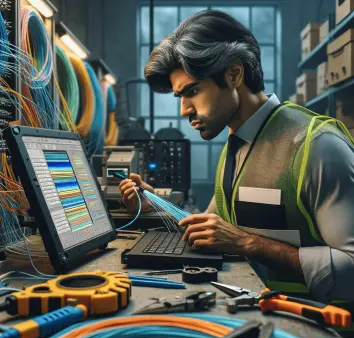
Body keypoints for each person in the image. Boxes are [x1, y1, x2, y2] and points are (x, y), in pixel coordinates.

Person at [119, 10, 354, 312]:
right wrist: (153, 205)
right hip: (258, 314)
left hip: (319, 331)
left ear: (234, 74)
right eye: (180, 96)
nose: (184, 110)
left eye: (192, 91)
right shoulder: (236, 145)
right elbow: (212, 231)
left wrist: (248, 244)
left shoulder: (317, 145)